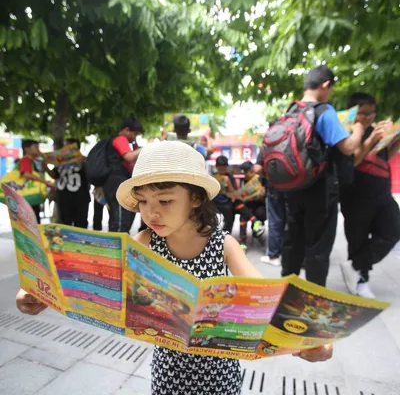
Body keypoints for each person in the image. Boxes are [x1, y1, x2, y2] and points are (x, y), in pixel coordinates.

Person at [15, 141, 333, 394]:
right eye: (143, 202)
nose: (151, 213)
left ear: (195, 198)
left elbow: (268, 298)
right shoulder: (146, 242)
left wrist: (312, 338)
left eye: (164, 201)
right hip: (169, 374)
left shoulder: (224, 245)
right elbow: (88, 274)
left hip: (220, 377)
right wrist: (39, 289)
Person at [280, 66, 366, 287]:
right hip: (319, 190)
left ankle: (285, 291)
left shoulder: (290, 111)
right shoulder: (324, 111)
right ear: (326, 85)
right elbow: (347, 147)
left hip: (292, 187)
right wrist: (358, 128)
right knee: (317, 247)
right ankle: (313, 299)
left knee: (293, 241)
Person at [339, 93, 400, 298]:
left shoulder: (376, 131)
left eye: (371, 113)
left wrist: (396, 140)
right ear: (353, 112)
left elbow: (384, 156)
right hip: (356, 194)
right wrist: (370, 139)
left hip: (382, 191)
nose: (368, 118)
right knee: (358, 239)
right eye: (363, 113)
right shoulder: (346, 132)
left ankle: (355, 266)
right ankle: (361, 281)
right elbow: (353, 161)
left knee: (393, 229)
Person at [102, 118, 143, 232]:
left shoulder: (123, 140)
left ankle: (121, 242)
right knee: (119, 220)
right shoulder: (121, 139)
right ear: (126, 130)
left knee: (123, 216)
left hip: (116, 182)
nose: (135, 137)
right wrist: (145, 148)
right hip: (116, 183)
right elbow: (128, 157)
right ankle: (117, 245)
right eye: (135, 134)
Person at [44, 139, 90, 228]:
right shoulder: (60, 161)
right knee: (65, 223)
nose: (65, 148)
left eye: (68, 146)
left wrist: (83, 160)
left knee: (81, 223)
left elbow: (92, 173)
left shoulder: (83, 161)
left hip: (80, 198)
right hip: (63, 197)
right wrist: (45, 166)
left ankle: (79, 241)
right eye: (64, 146)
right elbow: (55, 175)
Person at [255, 153, 286, 267]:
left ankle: (274, 255)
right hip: (294, 186)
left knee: (275, 221)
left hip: (274, 187)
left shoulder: (269, 143)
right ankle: (290, 253)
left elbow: (257, 168)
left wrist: (266, 175)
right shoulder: (294, 137)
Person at [19, 139, 55, 222]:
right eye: (36, 147)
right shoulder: (26, 160)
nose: (38, 150)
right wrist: (46, 183)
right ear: (27, 149)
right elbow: (27, 174)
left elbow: (52, 174)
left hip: (33, 194)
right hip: (28, 194)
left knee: (35, 216)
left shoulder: (39, 161)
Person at [213, 155, 237, 233]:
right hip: (215, 202)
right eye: (220, 169)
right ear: (216, 167)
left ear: (227, 167)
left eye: (224, 169)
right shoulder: (213, 177)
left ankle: (227, 233)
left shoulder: (230, 177)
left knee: (230, 210)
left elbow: (233, 193)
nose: (222, 171)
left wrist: (228, 182)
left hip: (226, 202)